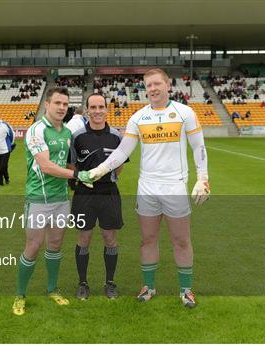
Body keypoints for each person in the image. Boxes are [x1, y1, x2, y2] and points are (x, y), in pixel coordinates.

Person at [79, 69, 210, 308]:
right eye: (148, 85)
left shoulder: (185, 113)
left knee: (181, 240)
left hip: (175, 187)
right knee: (147, 240)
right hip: (147, 188)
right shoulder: (138, 118)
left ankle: (186, 290)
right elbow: (122, 152)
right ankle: (148, 287)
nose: (152, 88)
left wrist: (203, 178)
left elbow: (198, 147)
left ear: (168, 85)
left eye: (157, 83)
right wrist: (98, 171)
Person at [12, 87, 92, 316]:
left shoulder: (66, 133)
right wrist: (76, 176)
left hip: (60, 199)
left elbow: (65, 164)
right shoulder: (36, 130)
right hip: (38, 198)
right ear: (47, 104)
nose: (61, 108)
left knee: (55, 245)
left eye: (65, 104)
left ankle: (52, 289)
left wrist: (89, 172)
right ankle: (20, 294)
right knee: (33, 246)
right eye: (57, 103)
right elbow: (46, 166)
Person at [69, 94, 126, 301]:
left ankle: (110, 283)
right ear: (87, 110)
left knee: (110, 238)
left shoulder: (116, 136)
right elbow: (72, 165)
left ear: (106, 109)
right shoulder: (77, 136)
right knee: (84, 238)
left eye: (101, 106)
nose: (97, 111)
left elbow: (119, 165)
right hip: (84, 194)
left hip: (109, 192)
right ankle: (82, 283)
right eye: (93, 107)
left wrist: (107, 178)